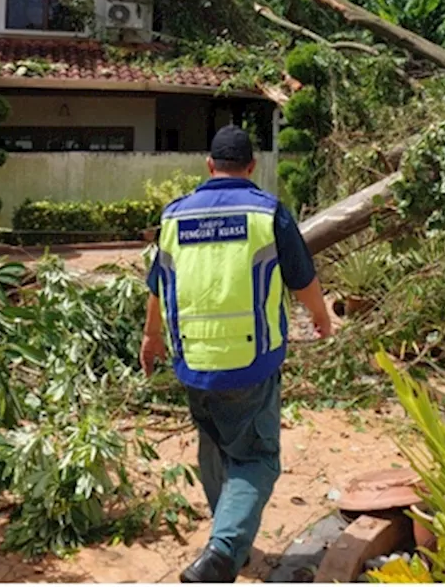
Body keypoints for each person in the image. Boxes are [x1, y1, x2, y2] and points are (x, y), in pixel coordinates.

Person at [141, 125, 338, 583]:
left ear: (209, 166)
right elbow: (302, 277)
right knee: (255, 457)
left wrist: (152, 339)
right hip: (250, 364)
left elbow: (157, 287)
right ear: (251, 168)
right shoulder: (266, 212)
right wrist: (322, 317)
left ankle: (227, 542)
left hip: (192, 363)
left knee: (214, 446)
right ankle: (224, 552)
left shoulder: (174, 218)